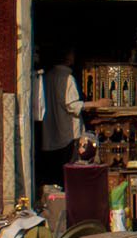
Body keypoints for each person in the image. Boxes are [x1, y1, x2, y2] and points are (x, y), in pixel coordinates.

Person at [36, 47, 106, 190]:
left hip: (51, 134)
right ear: (67, 57)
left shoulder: (47, 76)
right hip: (66, 135)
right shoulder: (67, 78)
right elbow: (72, 105)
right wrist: (97, 104)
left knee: (55, 174)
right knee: (68, 171)